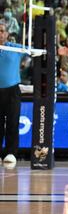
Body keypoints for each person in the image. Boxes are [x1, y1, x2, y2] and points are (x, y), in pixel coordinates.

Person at [0, 22, 25, 165]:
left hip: (12, 91)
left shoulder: (15, 48)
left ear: (7, 34)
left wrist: (57, 51)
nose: (0, 33)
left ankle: (10, 153)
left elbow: (35, 51)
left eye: (2, 31)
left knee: (12, 123)